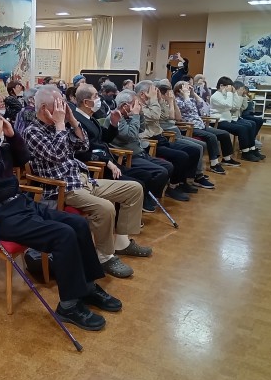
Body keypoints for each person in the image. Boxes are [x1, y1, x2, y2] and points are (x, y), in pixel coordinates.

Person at [0, 106, 121, 331]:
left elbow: (24, 158)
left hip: (20, 204)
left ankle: (87, 286)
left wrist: (12, 135)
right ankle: (69, 306)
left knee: (78, 223)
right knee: (63, 235)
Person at [23, 85, 149, 279]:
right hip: (62, 188)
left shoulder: (60, 125)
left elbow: (83, 145)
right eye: (58, 105)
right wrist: (60, 125)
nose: (63, 109)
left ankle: (121, 243)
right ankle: (104, 256)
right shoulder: (32, 131)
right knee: (106, 208)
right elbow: (57, 155)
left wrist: (73, 121)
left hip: (82, 179)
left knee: (134, 189)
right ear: (44, 109)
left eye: (63, 104)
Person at [73, 84, 158, 213]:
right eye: (95, 96)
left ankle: (136, 209)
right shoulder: (77, 121)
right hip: (98, 166)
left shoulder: (90, 118)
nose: (99, 99)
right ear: (86, 102)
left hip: (109, 161)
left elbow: (106, 138)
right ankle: (122, 216)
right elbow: (85, 150)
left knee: (145, 175)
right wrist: (108, 162)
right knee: (137, 184)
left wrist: (113, 124)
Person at [135, 81, 201, 201]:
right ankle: (173, 187)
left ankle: (183, 182)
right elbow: (155, 116)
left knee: (194, 150)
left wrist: (160, 100)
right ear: (143, 94)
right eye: (153, 91)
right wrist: (154, 100)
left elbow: (165, 116)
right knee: (181, 156)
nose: (155, 93)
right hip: (150, 142)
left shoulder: (151, 104)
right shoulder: (137, 107)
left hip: (160, 138)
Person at [105, 90, 173, 206]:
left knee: (168, 166)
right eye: (135, 103)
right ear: (125, 106)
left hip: (140, 153)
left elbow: (141, 129)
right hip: (129, 156)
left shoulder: (128, 116)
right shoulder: (115, 117)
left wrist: (139, 114)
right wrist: (136, 115)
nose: (139, 105)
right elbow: (130, 135)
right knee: (160, 171)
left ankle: (150, 195)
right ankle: (145, 198)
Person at [156, 80, 214, 189]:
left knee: (201, 145)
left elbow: (178, 118)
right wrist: (171, 102)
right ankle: (194, 176)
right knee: (196, 148)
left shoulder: (170, 102)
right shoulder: (159, 104)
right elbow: (171, 117)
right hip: (170, 134)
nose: (171, 95)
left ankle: (193, 176)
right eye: (168, 93)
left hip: (177, 132)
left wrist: (173, 102)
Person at [174, 81, 241, 174]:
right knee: (211, 137)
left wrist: (194, 94)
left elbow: (204, 108)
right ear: (179, 91)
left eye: (189, 88)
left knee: (224, 134)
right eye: (186, 88)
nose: (188, 90)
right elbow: (188, 107)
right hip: (189, 127)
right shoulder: (177, 101)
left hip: (200, 125)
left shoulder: (191, 99)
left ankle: (227, 158)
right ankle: (214, 164)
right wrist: (186, 96)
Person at [210, 76, 262, 162]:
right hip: (218, 121)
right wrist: (230, 93)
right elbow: (229, 105)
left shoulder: (225, 95)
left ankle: (251, 149)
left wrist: (234, 94)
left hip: (227, 120)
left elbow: (236, 106)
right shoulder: (215, 96)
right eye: (228, 86)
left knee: (248, 126)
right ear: (221, 86)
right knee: (242, 129)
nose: (230, 89)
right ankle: (245, 152)